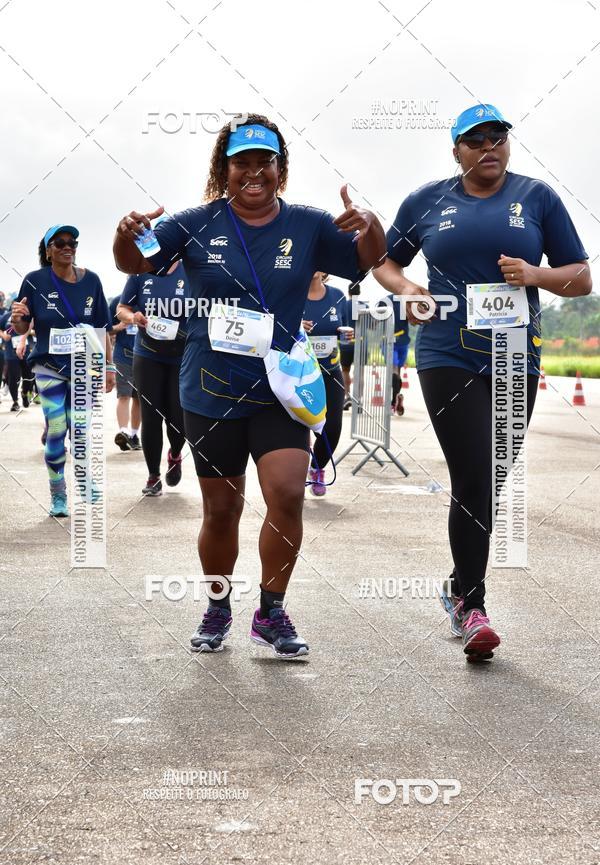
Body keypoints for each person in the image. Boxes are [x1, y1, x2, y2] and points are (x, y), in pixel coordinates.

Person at [113, 113, 385, 657]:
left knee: (287, 493)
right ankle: (217, 608)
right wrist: (125, 235)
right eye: (243, 163)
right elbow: (135, 263)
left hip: (279, 386)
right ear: (225, 168)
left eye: (266, 162)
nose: (254, 172)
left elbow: (369, 258)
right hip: (210, 386)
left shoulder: (309, 224)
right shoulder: (194, 222)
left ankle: (272, 611)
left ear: (281, 169)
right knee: (221, 509)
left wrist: (371, 223)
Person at [374, 103, 591, 661]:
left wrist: (537, 274)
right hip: (447, 351)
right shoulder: (426, 200)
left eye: (498, 137)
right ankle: (473, 606)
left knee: (491, 478)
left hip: (516, 353)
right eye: (476, 140)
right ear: (457, 151)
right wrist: (409, 290)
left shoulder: (537, 197)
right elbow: (383, 262)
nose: (489, 147)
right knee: (473, 472)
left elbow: (581, 277)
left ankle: (457, 584)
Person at [10, 225, 115, 516]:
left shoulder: (92, 280)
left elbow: (103, 328)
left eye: (72, 242)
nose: (68, 247)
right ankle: (58, 493)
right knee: (57, 428)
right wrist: (17, 319)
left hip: (85, 367)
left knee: (80, 430)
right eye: (60, 243)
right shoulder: (34, 281)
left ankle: (83, 479)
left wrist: (109, 367)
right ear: (49, 251)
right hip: (49, 365)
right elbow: (22, 326)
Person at [116, 261, 189, 494]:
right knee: (151, 416)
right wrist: (132, 317)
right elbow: (121, 308)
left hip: (183, 356)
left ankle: (175, 454)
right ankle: (153, 476)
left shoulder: (191, 268)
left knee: (178, 417)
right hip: (147, 354)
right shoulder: (140, 272)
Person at [302, 272, 351, 496]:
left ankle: (317, 468)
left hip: (330, 372)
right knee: (298, 426)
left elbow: (345, 331)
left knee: (332, 428)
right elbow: (278, 326)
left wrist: (345, 334)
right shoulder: (293, 292)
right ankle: (295, 474)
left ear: (325, 271)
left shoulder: (338, 296)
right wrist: (295, 326)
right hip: (299, 373)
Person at [108, 295, 141, 451]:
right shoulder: (117, 302)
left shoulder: (149, 299)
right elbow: (106, 329)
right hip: (123, 356)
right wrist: (119, 327)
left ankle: (133, 435)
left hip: (144, 356)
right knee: (124, 395)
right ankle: (123, 431)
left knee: (139, 398)